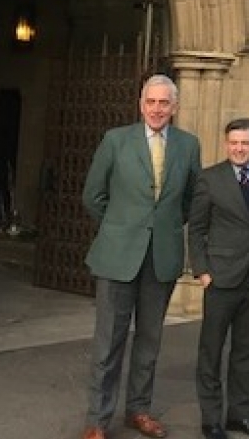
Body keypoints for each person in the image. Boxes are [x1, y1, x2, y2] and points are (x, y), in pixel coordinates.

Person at [80, 74, 202, 439]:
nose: (157, 109)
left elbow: (191, 199)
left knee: (149, 341)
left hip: (161, 256)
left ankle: (139, 410)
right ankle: (97, 421)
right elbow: (93, 195)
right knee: (108, 342)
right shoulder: (115, 141)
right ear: (141, 104)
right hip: (117, 256)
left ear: (175, 107)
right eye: (152, 102)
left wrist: (159, 228)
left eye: (165, 103)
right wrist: (121, 227)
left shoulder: (188, 145)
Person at [188, 118, 249, 439]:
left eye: (245, 143)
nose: (239, 148)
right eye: (234, 143)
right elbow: (197, 228)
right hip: (221, 279)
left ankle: (239, 415)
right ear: (226, 144)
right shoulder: (210, 178)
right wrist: (202, 271)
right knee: (211, 350)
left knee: (246, 351)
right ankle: (211, 419)